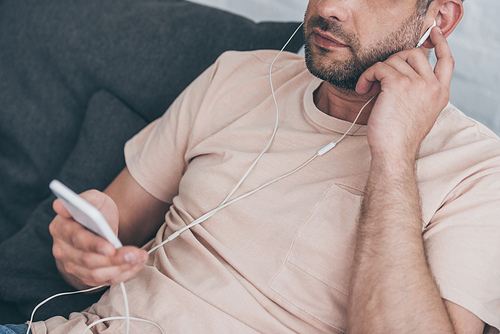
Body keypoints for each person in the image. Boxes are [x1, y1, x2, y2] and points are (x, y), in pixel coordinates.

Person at [3, 0, 499, 333]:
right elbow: (107, 236)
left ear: (440, 18)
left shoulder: (478, 173)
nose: (327, 7)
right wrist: (82, 248)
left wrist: (393, 158)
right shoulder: (237, 74)